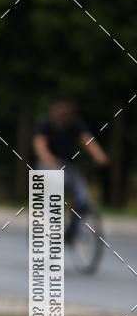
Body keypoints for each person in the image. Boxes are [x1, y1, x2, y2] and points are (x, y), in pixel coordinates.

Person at [32, 95, 109, 239]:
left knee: (82, 197)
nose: (63, 112)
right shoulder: (45, 124)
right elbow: (39, 145)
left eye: (66, 108)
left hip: (68, 166)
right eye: (60, 108)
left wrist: (99, 156)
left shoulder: (74, 124)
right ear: (53, 109)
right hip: (48, 165)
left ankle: (73, 232)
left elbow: (87, 140)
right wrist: (48, 158)